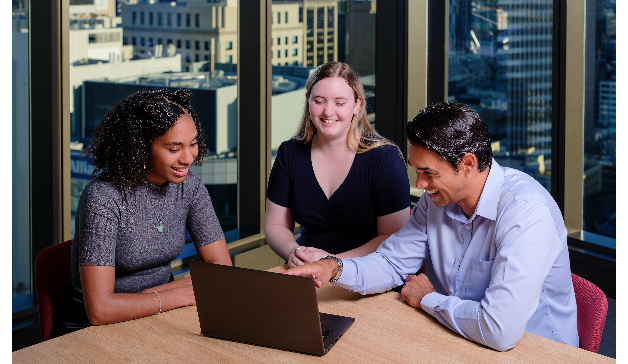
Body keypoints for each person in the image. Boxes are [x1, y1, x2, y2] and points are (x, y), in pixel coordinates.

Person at [285, 102, 579, 352]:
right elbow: (391, 263)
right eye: (417, 171)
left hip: (539, 351)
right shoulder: (437, 200)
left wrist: (427, 298)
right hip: (466, 342)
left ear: (467, 163)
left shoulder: (526, 212)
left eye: (428, 173)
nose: (420, 185)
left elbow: (499, 330)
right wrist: (334, 267)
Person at [55, 89, 232, 337]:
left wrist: (156, 296)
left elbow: (221, 266)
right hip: (90, 333)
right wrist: (177, 293)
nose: (188, 157)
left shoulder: (189, 186)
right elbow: (100, 311)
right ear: (140, 148)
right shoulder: (103, 197)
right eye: (174, 149)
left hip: (160, 315)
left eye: (193, 144)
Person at [265, 62, 410, 268]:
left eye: (340, 103)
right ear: (308, 100)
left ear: (357, 103)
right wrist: (293, 251)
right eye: (319, 101)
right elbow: (275, 224)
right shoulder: (289, 153)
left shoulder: (384, 158)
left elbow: (392, 237)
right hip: (307, 269)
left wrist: (332, 263)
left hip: (367, 272)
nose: (328, 112)